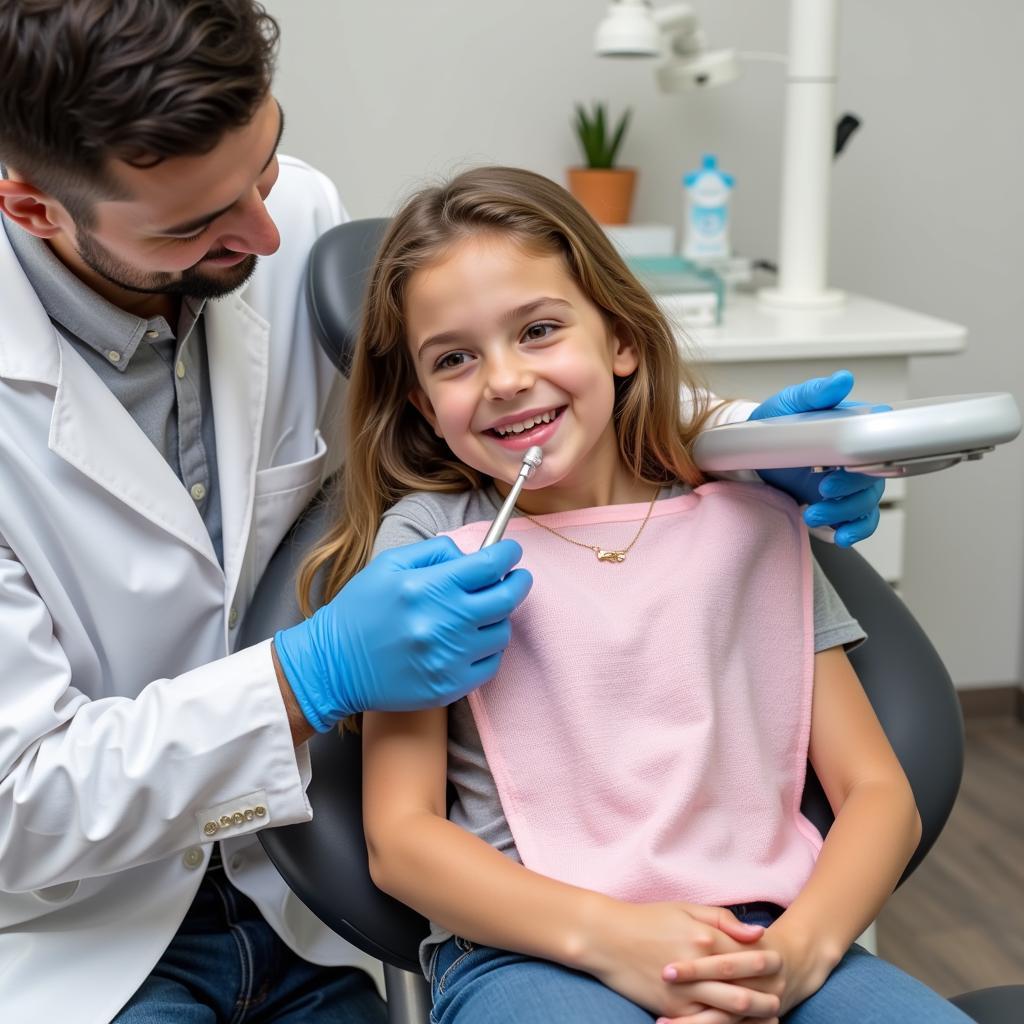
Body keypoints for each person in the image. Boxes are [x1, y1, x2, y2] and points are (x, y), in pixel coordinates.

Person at [0, 3, 885, 1021]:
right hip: (93, 926)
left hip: (296, 907)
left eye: (266, 164)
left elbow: (516, 389)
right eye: (195, 226)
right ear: (33, 210)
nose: (267, 231)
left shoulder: (289, 221)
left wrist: (735, 442)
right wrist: (305, 673)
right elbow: (15, 804)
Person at [303, 166, 974, 1023]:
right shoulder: (426, 550)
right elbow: (402, 843)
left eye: (539, 329)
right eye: (455, 359)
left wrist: (793, 958)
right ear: (424, 404)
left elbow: (878, 793)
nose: (504, 379)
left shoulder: (750, 513)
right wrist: (615, 937)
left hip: (764, 936)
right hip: (531, 954)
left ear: (620, 340)